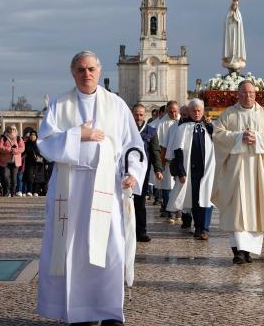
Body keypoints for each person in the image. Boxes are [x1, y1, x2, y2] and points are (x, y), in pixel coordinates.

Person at [35, 51, 147, 325]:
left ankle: (108, 311)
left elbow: (133, 144)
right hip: (70, 187)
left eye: (92, 69)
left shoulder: (117, 105)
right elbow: (45, 143)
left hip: (106, 186)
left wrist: (133, 172)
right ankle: (79, 312)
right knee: (72, 250)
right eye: (81, 70)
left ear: (99, 70)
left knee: (110, 248)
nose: (87, 74)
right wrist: (78, 134)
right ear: (73, 73)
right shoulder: (61, 105)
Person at [211, 80, 264, 265]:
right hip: (236, 171)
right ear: (238, 94)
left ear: (256, 94)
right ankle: (239, 251)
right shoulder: (228, 114)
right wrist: (237, 137)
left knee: (257, 209)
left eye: (251, 93)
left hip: (258, 170)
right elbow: (217, 136)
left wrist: (257, 138)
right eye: (244, 93)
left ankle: (248, 250)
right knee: (237, 210)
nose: (248, 96)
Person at [167, 98, 215, 240]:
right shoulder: (182, 129)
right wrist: (181, 171)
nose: (197, 113)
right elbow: (178, 151)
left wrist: (211, 127)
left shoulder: (209, 127)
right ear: (189, 112)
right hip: (191, 170)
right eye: (194, 111)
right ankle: (199, 227)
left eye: (199, 110)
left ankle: (205, 228)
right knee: (195, 201)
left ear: (203, 111)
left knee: (207, 199)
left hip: (207, 170)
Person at [131, 103, 163, 243]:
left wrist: (158, 169)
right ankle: (126, 231)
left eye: (141, 115)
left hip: (142, 172)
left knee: (140, 202)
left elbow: (155, 151)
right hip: (126, 171)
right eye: (136, 114)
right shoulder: (125, 129)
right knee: (125, 202)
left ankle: (141, 231)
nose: (138, 117)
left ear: (145, 115)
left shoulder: (151, 131)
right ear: (132, 115)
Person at [149, 101, 179, 220]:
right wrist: (162, 160)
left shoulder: (181, 121)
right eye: (171, 111)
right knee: (167, 185)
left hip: (179, 160)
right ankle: (168, 209)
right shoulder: (161, 124)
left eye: (175, 111)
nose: (173, 114)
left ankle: (178, 210)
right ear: (167, 110)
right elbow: (159, 144)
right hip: (166, 159)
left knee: (178, 185)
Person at [0, 126, 25, 197]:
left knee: (14, 178)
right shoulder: (3, 138)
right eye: (11, 129)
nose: (13, 130)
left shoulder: (19, 138)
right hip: (5, 162)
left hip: (15, 162)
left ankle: (13, 193)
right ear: (8, 130)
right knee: (5, 177)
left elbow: (22, 148)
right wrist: (10, 149)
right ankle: (6, 191)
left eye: (14, 129)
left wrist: (15, 150)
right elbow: (0, 147)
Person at [23, 132, 48, 197]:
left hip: (39, 163)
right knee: (29, 176)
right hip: (30, 162)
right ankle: (29, 191)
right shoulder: (26, 144)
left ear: (36, 136)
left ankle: (36, 191)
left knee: (38, 177)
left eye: (34, 135)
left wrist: (46, 163)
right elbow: (24, 152)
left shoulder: (40, 144)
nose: (32, 136)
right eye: (31, 135)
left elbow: (44, 153)